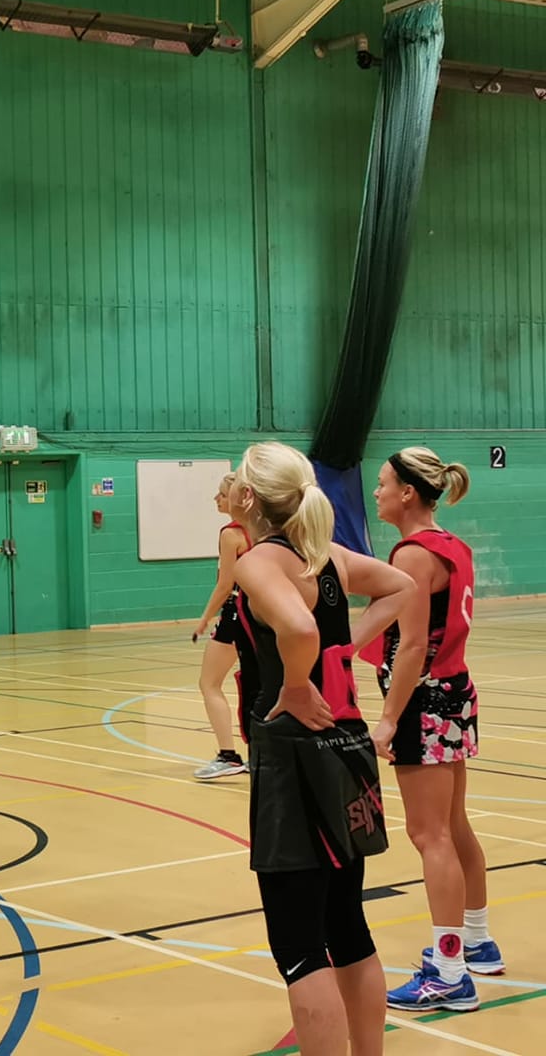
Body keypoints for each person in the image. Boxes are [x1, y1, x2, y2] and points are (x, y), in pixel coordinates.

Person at [229, 442, 414, 1056]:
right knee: (348, 928)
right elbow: (400, 587)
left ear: (249, 498)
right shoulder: (326, 556)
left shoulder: (261, 562)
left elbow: (301, 628)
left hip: (296, 754)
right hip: (349, 744)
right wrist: (346, 649)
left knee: (300, 948)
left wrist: (298, 679)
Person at [368, 448, 502, 1012]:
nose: (376, 493)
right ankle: (477, 940)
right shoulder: (452, 546)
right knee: (452, 825)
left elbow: (415, 645)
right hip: (455, 695)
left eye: (382, 484)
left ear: (406, 493)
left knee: (430, 836)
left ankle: (448, 972)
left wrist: (388, 718)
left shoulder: (413, 554)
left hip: (423, 702)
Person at [191, 474, 251, 780]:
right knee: (260, 683)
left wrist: (204, 619)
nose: (217, 499)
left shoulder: (231, 534)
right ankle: (261, 754)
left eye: (222, 494)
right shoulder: (265, 529)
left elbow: (226, 584)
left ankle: (228, 755)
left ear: (238, 500)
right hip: (264, 614)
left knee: (209, 682)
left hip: (236, 613)